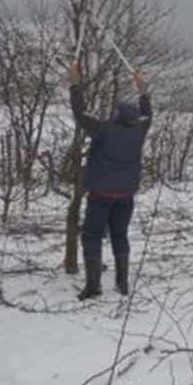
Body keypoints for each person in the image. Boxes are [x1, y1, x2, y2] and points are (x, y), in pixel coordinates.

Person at [69, 63, 152, 301]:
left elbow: (80, 113)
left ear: (116, 116)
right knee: (119, 235)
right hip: (125, 196)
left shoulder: (103, 130)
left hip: (100, 196)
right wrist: (142, 89)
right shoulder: (139, 131)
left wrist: (75, 84)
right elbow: (148, 115)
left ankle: (93, 286)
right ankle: (122, 283)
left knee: (91, 236)